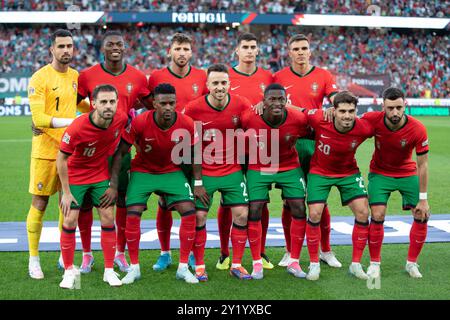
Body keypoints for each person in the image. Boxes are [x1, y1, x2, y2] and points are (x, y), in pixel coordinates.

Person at [73, 30, 152, 274]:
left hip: (121, 149)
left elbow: (149, 105)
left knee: (121, 201)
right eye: (110, 44)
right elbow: (72, 103)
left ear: (125, 47)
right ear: (102, 48)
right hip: (91, 150)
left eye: (119, 43)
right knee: (85, 203)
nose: (115, 47)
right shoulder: (87, 76)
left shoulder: (138, 77)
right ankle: (87, 255)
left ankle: (119, 253)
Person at [110, 83, 199, 284]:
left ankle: (183, 267)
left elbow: (195, 154)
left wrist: (199, 182)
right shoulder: (141, 122)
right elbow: (121, 152)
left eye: (171, 103)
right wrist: (114, 184)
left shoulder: (186, 122)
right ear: (154, 104)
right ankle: (134, 268)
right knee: (132, 214)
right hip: (143, 171)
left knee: (189, 211)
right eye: (163, 103)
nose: (168, 107)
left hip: (171, 170)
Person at [273, 33, 340, 268]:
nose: (301, 52)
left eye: (304, 48)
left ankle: (326, 250)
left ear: (310, 51)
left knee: (319, 200)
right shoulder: (278, 77)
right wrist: (300, 110)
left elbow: (335, 99)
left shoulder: (323, 75)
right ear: (289, 53)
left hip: (315, 143)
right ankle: (289, 250)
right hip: (288, 143)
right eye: (296, 49)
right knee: (289, 201)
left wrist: (334, 105)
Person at [26, 29, 89, 280]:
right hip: (45, 152)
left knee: (67, 203)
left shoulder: (76, 77)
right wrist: (74, 121)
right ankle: (33, 259)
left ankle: (65, 255)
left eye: (70, 46)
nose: (66, 50)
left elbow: (83, 105)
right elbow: (39, 118)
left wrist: (94, 114)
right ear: (51, 49)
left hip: (70, 152)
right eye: (61, 46)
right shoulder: (39, 78)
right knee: (40, 203)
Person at [184, 64, 252, 281]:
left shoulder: (242, 104)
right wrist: (197, 182)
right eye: (215, 83)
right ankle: (200, 265)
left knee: (242, 214)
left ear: (229, 84)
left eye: (224, 82)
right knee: (199, 215)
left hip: (232, 170)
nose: (220, 87)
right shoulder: (194, 108)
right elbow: (190, 145)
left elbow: (255, 125)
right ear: (207, 85)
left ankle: (237, 264)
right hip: (205, 171)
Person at [57, 84, 128, 289]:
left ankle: (108, 270)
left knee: (108, 216)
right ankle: (69, 270)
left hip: (99, 173)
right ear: (93, 104)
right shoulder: (78, 127)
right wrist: (66, 193)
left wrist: (113, 183)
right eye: (103, 102)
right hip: (75, 174)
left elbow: (123, 145)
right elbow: (61, 159)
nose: (108, 106)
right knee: (70, 219)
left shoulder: (121, 119)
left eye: (112, 102)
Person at [147, 33, 208, 271]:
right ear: (169, 51)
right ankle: (165, 253)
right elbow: (146, 107)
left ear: (191, 52)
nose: (182, 53)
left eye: (186, 49)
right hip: (165, 147)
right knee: (163, 201)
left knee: (193, 200)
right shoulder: (157, 77)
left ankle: (192, 252)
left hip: (193, 147)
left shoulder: (202, 77)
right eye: (178, 49)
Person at [215, 32, 275, 271]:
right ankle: (223, 252)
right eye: (245, 47)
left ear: (258, 50)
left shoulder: (268, 77)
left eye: (253, 46)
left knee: (262, 201)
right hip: (232, 148)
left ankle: (260, 251)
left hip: (261, 149)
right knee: (228, 200)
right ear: (236, 51)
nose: (250, 51)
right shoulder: (225, 77)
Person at [303, 91, 374, 281]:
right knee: (315, 213)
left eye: (351, 111)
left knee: (363, 212)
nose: (347, 116)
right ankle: (314, 264)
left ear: (356, 111)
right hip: (320, 172)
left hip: (348, 172)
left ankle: (356, 264)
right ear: (334, 111)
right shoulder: (319, 118)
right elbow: (296, 112)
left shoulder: (364, 128)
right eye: (342, 111)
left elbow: (385, 120)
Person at [241, 83, 309, 279]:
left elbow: (313, 128)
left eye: (281, 99)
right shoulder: (249, 117)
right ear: (264, 101)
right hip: (259, 165)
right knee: (254, 209)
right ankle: (256, 263)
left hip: (289, 165)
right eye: (272, 99)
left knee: (299, 207)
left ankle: (294, 261)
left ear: (286, 101)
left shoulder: (298, 118)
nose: (277, 103)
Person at [362, 87, 430, 279]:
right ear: (383, 106)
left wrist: (423, 199)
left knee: (422, 214)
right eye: (390, 108)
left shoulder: (417, 128)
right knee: (377, 214)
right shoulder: (372, 119)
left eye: (399, 107)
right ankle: (375, 264)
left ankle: (412, 263)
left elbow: (423, 165)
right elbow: (350, 127)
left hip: (407, 173)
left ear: (405, 105)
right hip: (380, 173)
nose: (395, 112)